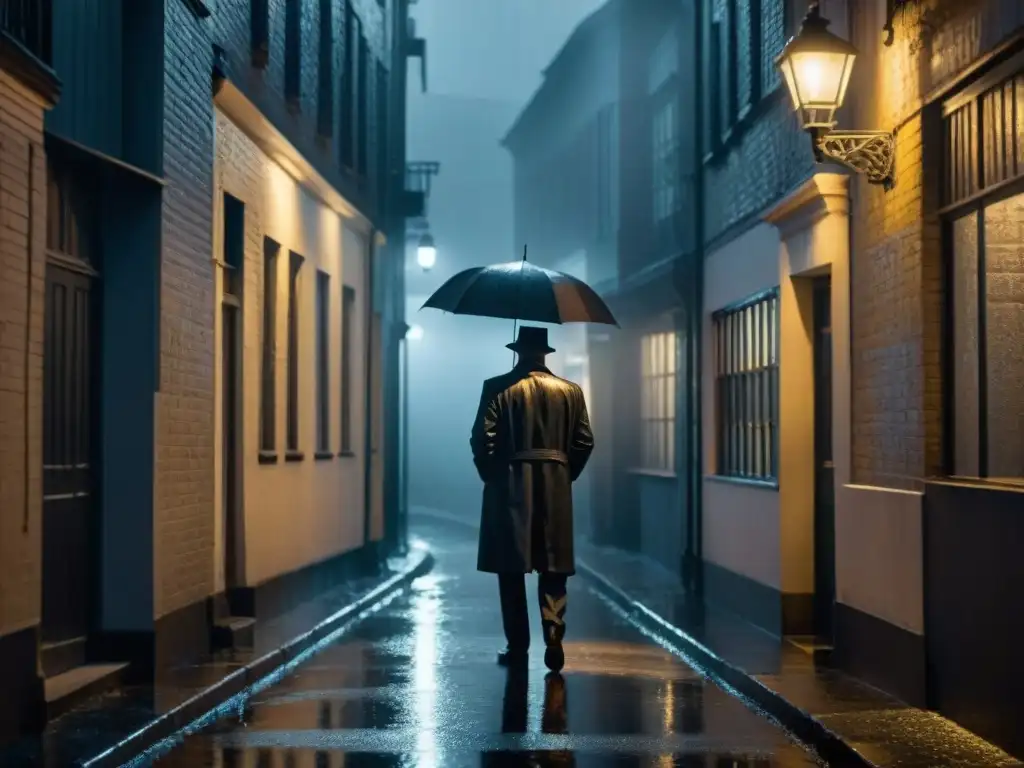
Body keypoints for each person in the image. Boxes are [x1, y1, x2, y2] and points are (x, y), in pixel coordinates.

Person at [470, 325, 594, 672]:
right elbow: (584, 441)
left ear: (518, 350)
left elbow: (482, 438)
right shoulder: (571, 391)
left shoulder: (497, 388)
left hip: (509, 486)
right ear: (545, 354)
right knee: (553, 568)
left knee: (510, 570)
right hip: (555, 487)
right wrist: (563, 474)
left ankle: (518, 645)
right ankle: (553, 634)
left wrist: (493, 475)